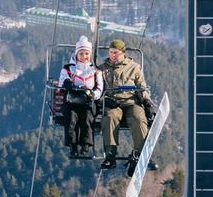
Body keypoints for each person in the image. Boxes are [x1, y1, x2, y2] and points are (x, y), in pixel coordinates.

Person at [99, 39, 154, 170]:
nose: (112, 55)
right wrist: (104, 99)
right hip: (113, 103)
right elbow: (98, 89)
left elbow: (142, 87)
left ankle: (142, 154)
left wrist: (146, 101)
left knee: (138, 118)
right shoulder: (102, 69)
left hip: (131, 102)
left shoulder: (134, 67)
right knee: (109, 117)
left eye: (115, 53)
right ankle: (110, 155)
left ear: (123, 53)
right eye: (111, 52)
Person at [57, 35, 103, 158]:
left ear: (90, 55)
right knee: (71, 118)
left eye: (86, 54)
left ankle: (85, 144)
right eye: (81, 54)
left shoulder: (95, 70)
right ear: (77, 54)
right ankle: (73, 145)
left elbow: (99, 87)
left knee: (87, 118)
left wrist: (92, 94)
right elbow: (61, 83)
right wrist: (67, 84)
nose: (84, 57)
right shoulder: (69, 68)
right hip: (71, 101)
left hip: (88, 101)